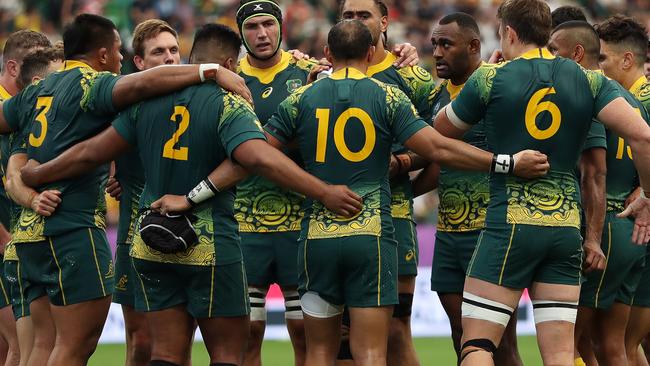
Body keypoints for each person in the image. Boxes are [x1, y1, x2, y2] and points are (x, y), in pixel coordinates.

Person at [16, 22, 367, 366]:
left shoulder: (143, 105)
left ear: (190, 58)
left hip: (152, 240)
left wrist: (39, 173)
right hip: (209, 245)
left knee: (164, 353)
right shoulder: (228, 103)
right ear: (229, 66)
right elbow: (258, 157)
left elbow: (91, 152)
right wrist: (324, 192)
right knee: (229, 354)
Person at [261, 19, 548, 366]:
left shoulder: (301, 98)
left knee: (320, 350)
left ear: (326, 53)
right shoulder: (388, 96)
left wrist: (320, 191)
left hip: (316, 237)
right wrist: (506, 163)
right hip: (371, 237)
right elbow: (439, 148)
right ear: (371, 53)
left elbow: (261, 155)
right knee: (371, 350)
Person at [0, 13, 251, 366]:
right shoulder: (96, 86)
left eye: (173, 51)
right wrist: (210, 70)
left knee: (41, 345)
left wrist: (20, 171)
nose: (119, 62)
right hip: (73, 228)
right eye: (119, 53)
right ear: (105, 54)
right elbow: (137, 91)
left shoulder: (38, 91)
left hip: (28, 237)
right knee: (74, 345)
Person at [430, 1, 650, 365]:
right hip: (565, 231)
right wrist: (647, 195)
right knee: (561, 353)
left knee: (478, 344)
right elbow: (643, 137)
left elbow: (440, 134)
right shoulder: (589, 79)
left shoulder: (491, 78)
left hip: (509, 226)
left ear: (509, 33)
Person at [233, 1, 420, 365]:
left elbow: (255, 151)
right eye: (252, 26)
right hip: (252, 223)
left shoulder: (308, 75)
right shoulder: (231, 75)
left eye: (267, 24)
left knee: (320, 340)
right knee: (248, 335)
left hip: (304, 224)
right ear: (241, 34)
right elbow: (436, 143)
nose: (261, 34)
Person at [413, 12, 521, 366]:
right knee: (460, 335)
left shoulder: (499, 88)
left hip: (491, 229)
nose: (438, 53)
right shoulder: (435, 95)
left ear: (474, 46)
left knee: (500, 345)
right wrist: (402, 191)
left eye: (447, 44)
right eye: (434, 45)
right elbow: (440, 164)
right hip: (448, 233)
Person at [336, 1, 436, 364]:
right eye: (348, 16)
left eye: (363, 15)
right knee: (341, 333)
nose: (355, 21)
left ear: (383, 21)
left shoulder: (413, 77)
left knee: (395, 330)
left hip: (392, 215)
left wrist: (403, 163)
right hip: (335, 218)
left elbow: (439, 143)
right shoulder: (322, 72)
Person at [549, 19, 650, 366]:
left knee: (570, 343)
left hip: (604, 224)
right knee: (614, 344)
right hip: (632, 230)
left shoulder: (590, 95)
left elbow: (595, 171)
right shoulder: (633, 104)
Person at [111, 19, 181, 366]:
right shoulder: (123, 102)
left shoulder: (201, 95)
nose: (169, 58)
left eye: (173, 50)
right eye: (158, 52)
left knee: (178, 342)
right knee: (140, 340)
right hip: (133, 235)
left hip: (191, 231)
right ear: (138, 62)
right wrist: (111, 171)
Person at [595, 15, 650, 366]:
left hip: (637, 231)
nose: (597, 68)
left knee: (615, 344)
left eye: (602, 59)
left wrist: (646, 190)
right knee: (632, 345)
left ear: (627, 60)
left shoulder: (638, 101)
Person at [0, 30, 52, 366]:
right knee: (22, 346)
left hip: (19, 241)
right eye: (36, 64)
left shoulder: (30, 111)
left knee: (12, 347)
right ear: (14, 67)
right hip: (8, 243)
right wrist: (3, 238)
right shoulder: (7, 112)